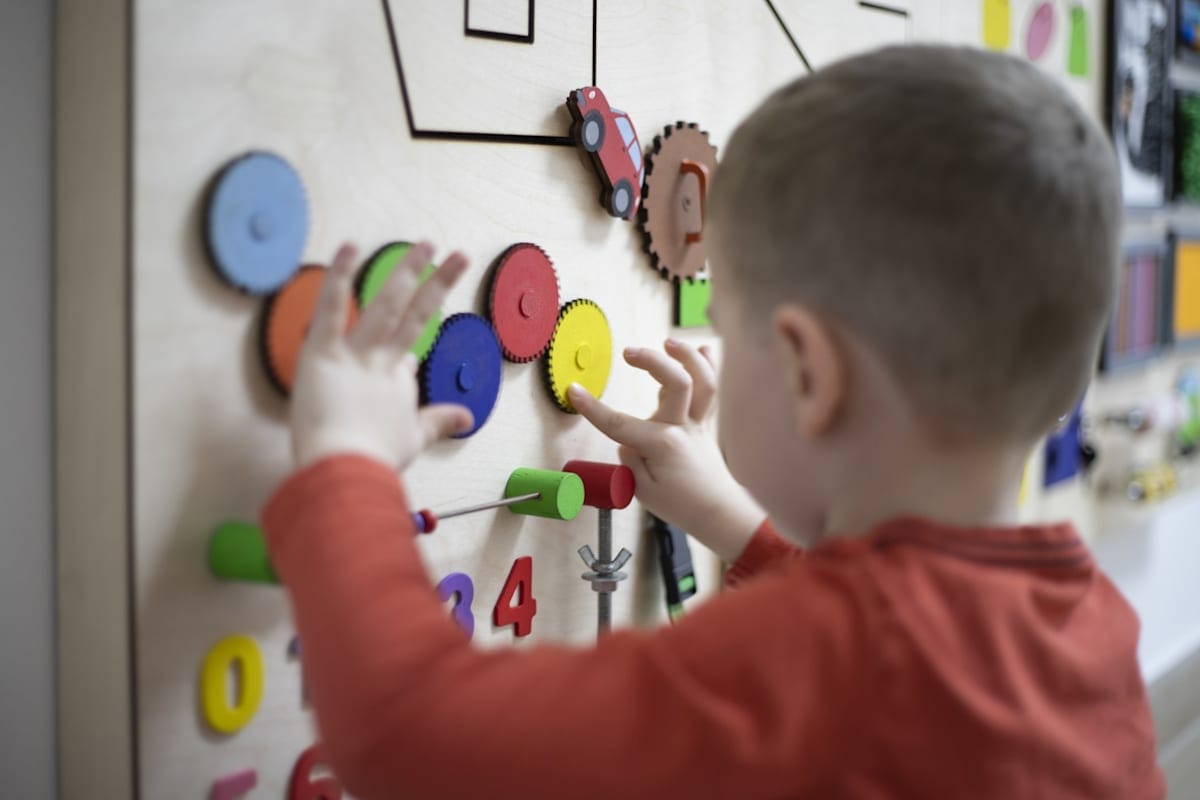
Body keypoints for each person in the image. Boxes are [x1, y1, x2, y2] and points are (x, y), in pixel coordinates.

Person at [263, 45, 1165, 798]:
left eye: (725, 328)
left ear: (809, 373)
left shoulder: (803, 668)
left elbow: (404, 734)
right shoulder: (1091, 628)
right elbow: (906, 657)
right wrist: (739, 529)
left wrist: (346, 461)